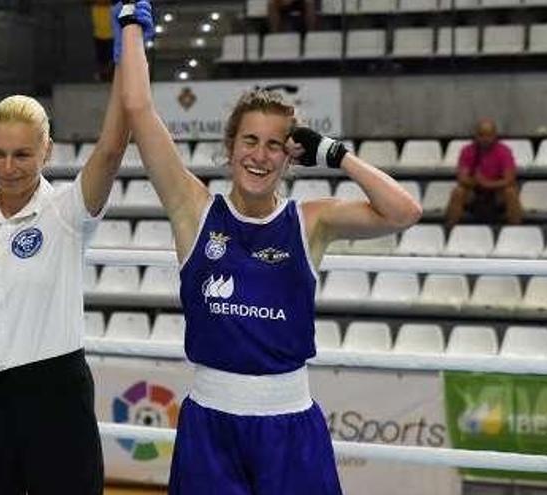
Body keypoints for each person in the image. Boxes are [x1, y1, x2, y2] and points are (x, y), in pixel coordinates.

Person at [116, 2, 423, 493]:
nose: (259, 156)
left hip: (290, 427)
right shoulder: (194, 210)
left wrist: (336, 154)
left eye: (274, 145)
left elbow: (405, 211)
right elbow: (138, 110)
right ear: (230, 146)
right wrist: (130, 22)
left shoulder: (311, 221)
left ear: (290, 155)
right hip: (209, 426)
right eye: (249, 141)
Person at [0, 39, 135, 492]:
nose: (8, 166)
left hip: (55, 395)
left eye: (22, 154)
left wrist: (126, 53)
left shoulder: (67, 212)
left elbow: (114, 145)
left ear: (47, 151)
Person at [445, 118, 522, 227]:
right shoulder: (467, 150)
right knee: (458, 192)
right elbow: (462, 178)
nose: (485, 139)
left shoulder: (504, 151)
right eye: (481, 135)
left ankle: (516, 230)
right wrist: (476, 183)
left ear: (495, 135)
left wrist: (487, 184)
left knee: (510, 192)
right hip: (474, 191)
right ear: (476, 135)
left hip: (497, 193)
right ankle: (449, 230)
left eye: (489, 135)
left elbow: (509, 179)